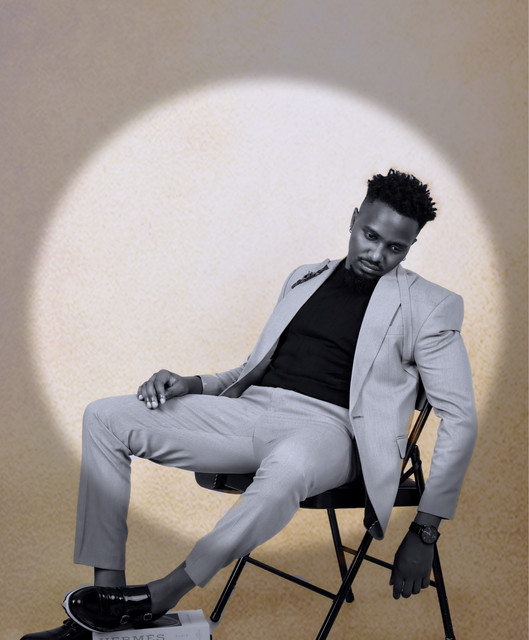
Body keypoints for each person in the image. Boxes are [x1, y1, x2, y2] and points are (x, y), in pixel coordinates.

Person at [22, 169, 477, 639]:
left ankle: (165, 592)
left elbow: (460, 418)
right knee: (105, 417)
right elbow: (251, 369)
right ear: (354, 219)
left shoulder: (431, 305)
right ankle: (106, 607)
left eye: (395, 248)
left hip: (334, 431)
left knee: (290, 466)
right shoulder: (305, 278)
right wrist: (192, 383)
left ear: (411, 246)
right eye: (370, 236)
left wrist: (425, 530)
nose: (377, 255)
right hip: (252, 411)